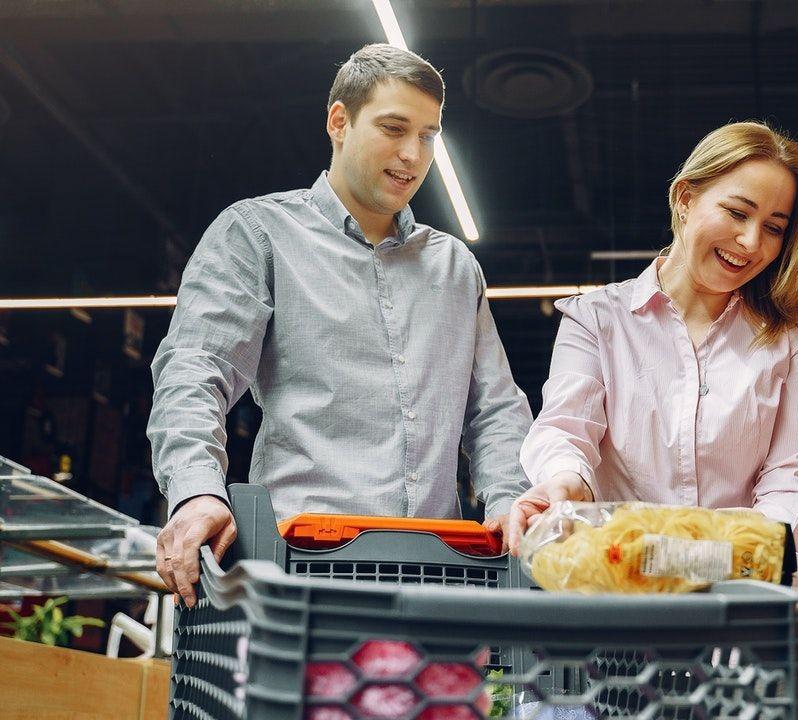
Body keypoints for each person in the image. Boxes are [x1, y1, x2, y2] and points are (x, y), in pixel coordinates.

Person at [148, 44, 532, 607]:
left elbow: (494, 409)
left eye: (428, 136)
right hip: (299, 575)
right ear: (339, 121)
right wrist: (196, 491)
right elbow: (195, 370)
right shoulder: (258, 235)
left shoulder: (454, 268)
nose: (412, 154)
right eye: (394, 128)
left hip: (438, 579)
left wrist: (510, 503)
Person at [507, 121, 798, 555]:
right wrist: (566, 482)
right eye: (737, 212)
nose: (752, 241)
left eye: (774, 227)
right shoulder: (597, 320)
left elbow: (795, 479)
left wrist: (718, 556)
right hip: (622, 580)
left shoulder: (796, 328)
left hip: (746, 590)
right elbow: (566, 429)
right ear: (685, 198)